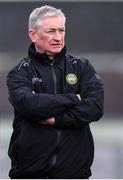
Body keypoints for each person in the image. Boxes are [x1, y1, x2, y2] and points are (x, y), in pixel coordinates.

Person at [7, 5, 104, 179]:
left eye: (61, 30)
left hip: (75, 174)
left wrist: (56, 119)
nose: (58, 37)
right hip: (29, 173)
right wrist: (74, 98)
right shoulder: (20, 72)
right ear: (33, 34)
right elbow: (29, 105)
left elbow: (95, 107)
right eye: (51, 31)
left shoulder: (82, 67)